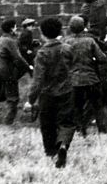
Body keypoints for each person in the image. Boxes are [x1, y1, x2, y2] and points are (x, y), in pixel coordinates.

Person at [24, 18, 76, 168]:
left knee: (47, 124)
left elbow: (38, 80)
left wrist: (30, 100)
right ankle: (63, 145)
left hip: (47, 94)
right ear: (60, 31)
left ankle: (52, 153)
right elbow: (72, 64)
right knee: (66, 122)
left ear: (42, 34)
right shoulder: (67, 48)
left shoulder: (42, 53)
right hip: (66, 90)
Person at [61, 16, 107, 136]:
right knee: (98, 106)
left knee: (77, 107)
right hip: (91, 78)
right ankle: (103, 131)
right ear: (84, 27)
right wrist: (92, 60)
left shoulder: (66, 42)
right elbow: (102, 58)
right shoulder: (90, 41)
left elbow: (63, 62)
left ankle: (80, 131)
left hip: (74, 80)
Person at [0, 19, 32, 124]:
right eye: (15, 27)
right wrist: (28, 67)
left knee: (2, 95)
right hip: (6, 72)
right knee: (13, 99)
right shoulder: (10, 41)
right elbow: (18, 58)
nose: (16, 29)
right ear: (11, 29)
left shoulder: (1, 39)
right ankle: (8, 124)